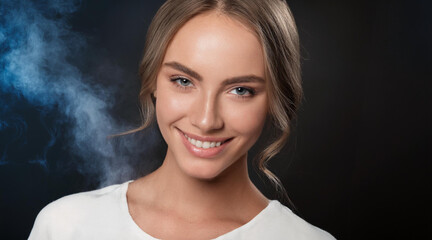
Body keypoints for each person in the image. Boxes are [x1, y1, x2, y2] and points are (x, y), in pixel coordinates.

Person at [29, 0, 335, 239]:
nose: (206, 120)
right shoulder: (66, 227)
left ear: (276, 98)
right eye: (184, 81)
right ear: (152, 81)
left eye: (240, 90)